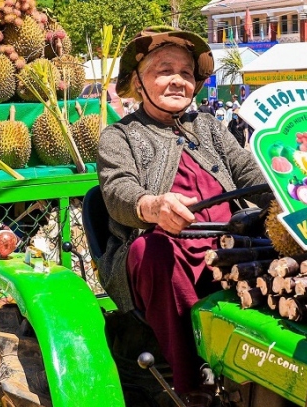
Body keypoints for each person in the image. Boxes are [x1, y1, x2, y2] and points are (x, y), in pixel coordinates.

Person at [97, 26, 270, 405]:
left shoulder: (209, 126)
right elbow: (118, 190)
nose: (178, 80)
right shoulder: (119, 135)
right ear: (138, 82)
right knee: (152, 250)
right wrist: (153, 206)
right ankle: (194, 385)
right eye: (164, 71)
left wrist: (287, 187)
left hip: (232, 242)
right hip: (162, 250)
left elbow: (251, 174)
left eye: (186, 73)